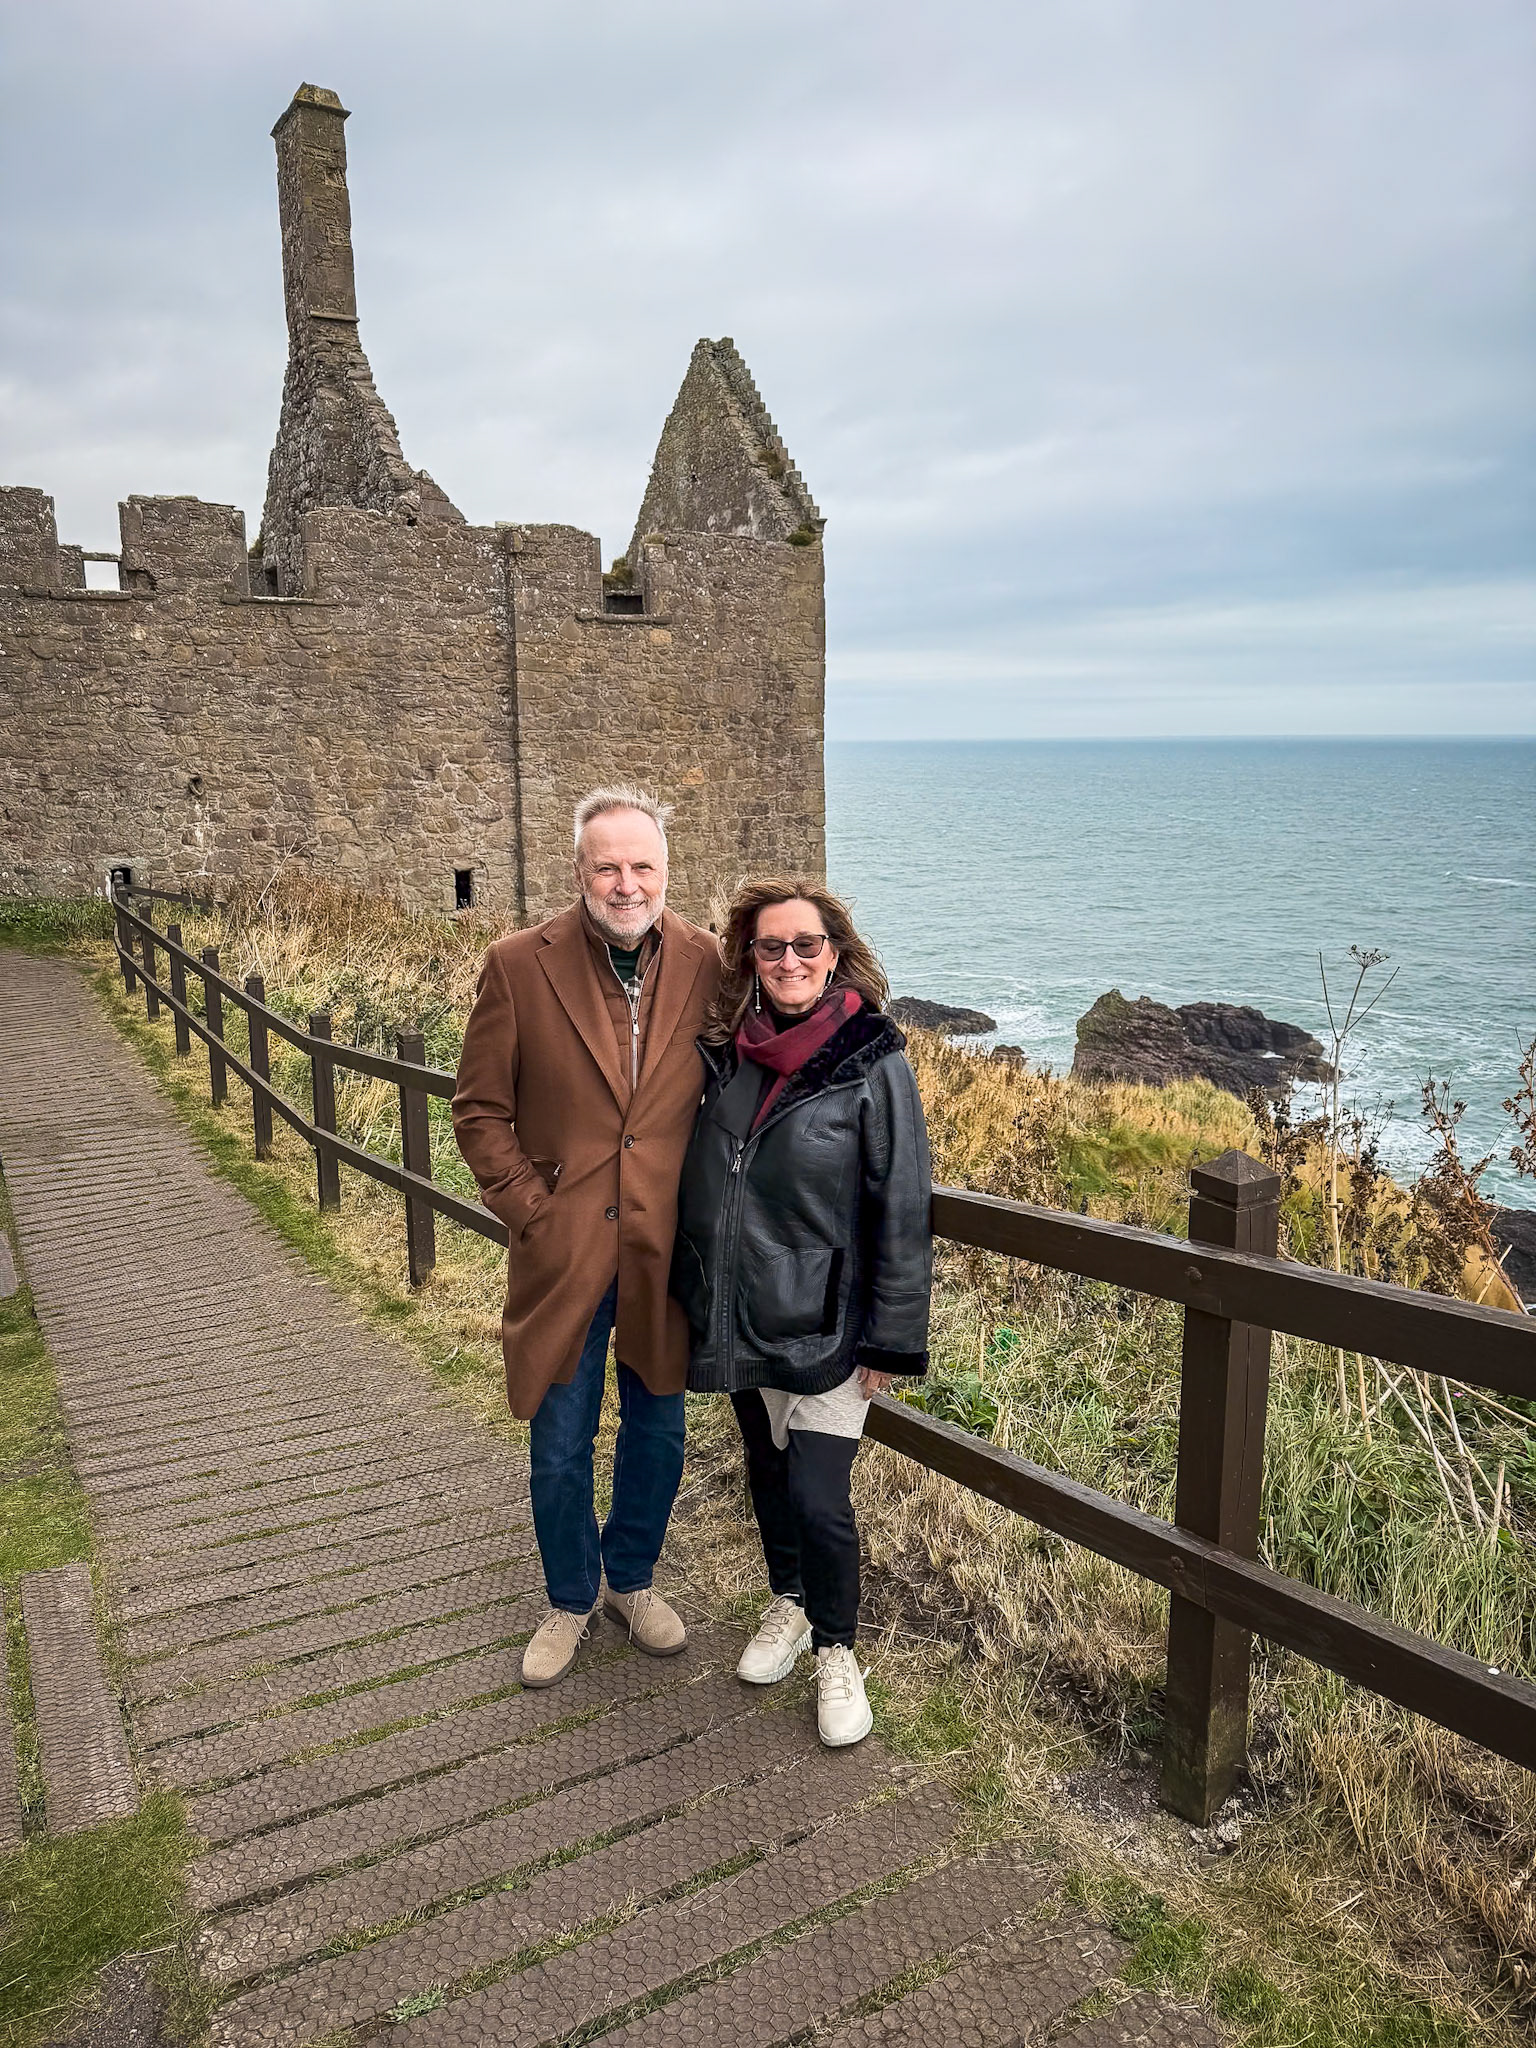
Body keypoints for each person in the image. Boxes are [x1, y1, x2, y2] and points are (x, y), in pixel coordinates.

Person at [452, 787, 721, 1687]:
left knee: (658, 1431)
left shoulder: (710, 963)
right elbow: (479, 1112)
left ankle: (631, 1582)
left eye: (642, 866)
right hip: (565, 1255)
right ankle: (569, 1598)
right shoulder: (518, 965)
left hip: (661, 1253)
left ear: (665, 872)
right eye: (607, 866)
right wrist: (534, 1211)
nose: (625, 883)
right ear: (579, 871)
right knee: (560, 1437)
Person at [671, 878, 932, 1746]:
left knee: (821, 1500)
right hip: (742, 1316)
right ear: (750, 958)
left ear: (835, 956)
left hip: (830, 1328)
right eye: (771, 947)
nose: (788, 961)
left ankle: (837, 1650)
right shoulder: (728, 1053)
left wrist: (891, 1340)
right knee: (770, 1478)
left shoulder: (873, 1060)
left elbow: (901, 1207)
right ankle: (787, 1599)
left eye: (805, 946)